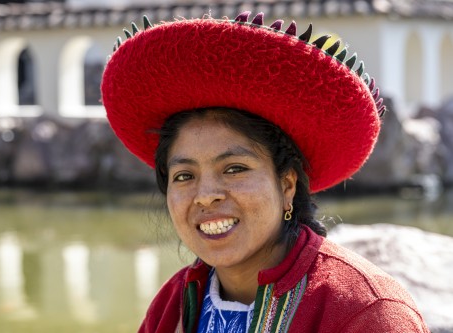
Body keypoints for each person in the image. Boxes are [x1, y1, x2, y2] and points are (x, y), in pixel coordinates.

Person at [101, 11, 430, 333]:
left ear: (287, 184)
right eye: (184, 175)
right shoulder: (175, 301)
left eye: (234, 169)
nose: (206, 194)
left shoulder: (367, 312)